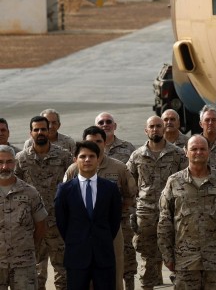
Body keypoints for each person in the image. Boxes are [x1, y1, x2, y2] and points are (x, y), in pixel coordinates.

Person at [158, 135, 216, 289]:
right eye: (194, 149)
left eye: (202, 149)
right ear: (186, 152)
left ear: (209, 152)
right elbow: (164, 221)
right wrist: (167, 255)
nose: (198, 152)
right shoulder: (174, 181)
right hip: (185, 260)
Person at [63, 126, 138, 290]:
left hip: (110, 231)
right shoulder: (73, 170)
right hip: (82, 234)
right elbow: (64, 204)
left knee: (113, 275)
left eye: (98, 141)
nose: (95, 145)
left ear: (105, 143)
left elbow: (130, 194)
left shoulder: (119, 168)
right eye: (90, 142)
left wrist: (113, 213)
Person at [126, 116, 188, 289]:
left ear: (164, 129)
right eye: (151, 126)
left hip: (172, 213)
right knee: (147, 257)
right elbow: (129, 185)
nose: (155, 129)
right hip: (145, 214)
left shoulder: (177, 154)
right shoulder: (137, 156)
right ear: (146, 130)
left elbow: (186, 182)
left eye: (158, 126)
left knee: (177, 253)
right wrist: (133, 211)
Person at [15, 116, 73, 290]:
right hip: (31, 224)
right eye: (36, 129)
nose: (40, 132)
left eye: (43, 129)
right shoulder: (21, 158)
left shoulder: (63, 156)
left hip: (58, 223)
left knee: (63, 271)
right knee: (35, 272)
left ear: (49, 131)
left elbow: (73, 185)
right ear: (30, 133)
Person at [54, 141, 122, 290]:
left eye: (92, 156)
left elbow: (114, 221)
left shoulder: (110, 188)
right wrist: (77, 240)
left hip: (103, 256)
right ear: (75, 160)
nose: (87, 160)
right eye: (83, 156)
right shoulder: (64, 190)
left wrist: (101, 238)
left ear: (98, 159)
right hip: (76, 256)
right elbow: (62, 222)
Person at [0, 145, 47, 289]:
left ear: (14, 163)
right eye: (0, 162)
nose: (4, 166)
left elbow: (41, 225)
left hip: (23, 264)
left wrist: (27, 247)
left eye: (9, 162)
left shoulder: (30, 192)